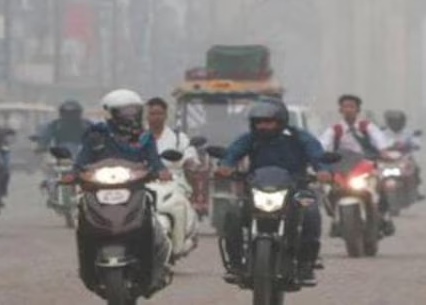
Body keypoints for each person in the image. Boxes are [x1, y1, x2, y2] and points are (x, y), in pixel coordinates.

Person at [217, 98, 332, 285]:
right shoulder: (250, 139)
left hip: (296, 191)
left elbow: (317, 154)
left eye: (268, 121)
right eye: (259, 122)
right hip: (257, 191)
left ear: (281, 121)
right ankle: (236, 264)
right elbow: (233, 153)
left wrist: (323, 170)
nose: (263, 126)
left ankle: (306, 264)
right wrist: (225, 166)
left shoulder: (299, 137)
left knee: (311, 212)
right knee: (233, 213)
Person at [318, 94, 395, 233]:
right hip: (341, 168)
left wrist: (384, 152)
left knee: (380, 186)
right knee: (327, 190)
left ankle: (384, 217)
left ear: (358, 109)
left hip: (366, 167)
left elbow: (380, 140)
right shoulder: (335, 130)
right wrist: (317, 156)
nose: (348, 109)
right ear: (340, 109)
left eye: (351, 106)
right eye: (345, 106)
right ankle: (335, 217)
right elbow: (322, 145)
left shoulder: (367, 127)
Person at [73, 89, 169, 181]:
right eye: (126, 111)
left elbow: (154, 160)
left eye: (134, 111)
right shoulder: (96, 134)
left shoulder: (145, 137)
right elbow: (82, 161)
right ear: (111, 113)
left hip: (135, 185)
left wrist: (162, 171)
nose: (131, 115)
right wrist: (72, 174)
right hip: (98, 186)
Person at [146, 97, 200, 193]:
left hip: (175, 185)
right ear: (147, 116)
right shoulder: (138, 138)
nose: (156, 117)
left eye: (160, 114)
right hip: (145, 184)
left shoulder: (179, 138)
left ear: (166, 115)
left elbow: (190, 155)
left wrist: (190, 162)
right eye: (152, 114)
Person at [383, 109, 425, 201]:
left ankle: (415, 191)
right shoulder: (383, 132)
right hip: (387, 157)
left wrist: (414, 145)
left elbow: (416, 142)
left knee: (415, 169)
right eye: (393, 121)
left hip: (404, 157)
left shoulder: (408, 132)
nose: (395, 124)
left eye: (398, 121)